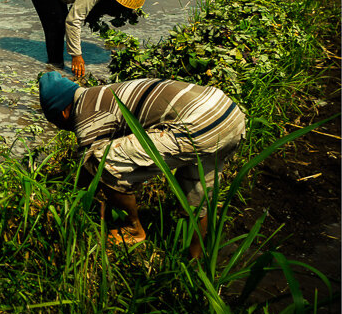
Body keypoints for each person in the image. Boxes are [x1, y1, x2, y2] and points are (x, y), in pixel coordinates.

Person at [38, 71, 246, 258]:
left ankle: (133, 229)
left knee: (104, 161)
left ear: (63, 113)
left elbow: (91, 170)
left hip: (200, 124)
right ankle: (195, 258)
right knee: (197, 192)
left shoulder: (84, 112)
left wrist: (62, 198)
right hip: (227, 113)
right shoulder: (101, 93)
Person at [24, 0, 146, 78]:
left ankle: (56, 65)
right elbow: (73, 21)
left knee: (62, 19)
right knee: (56, 25)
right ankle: (54, 68)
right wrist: (76, 56)